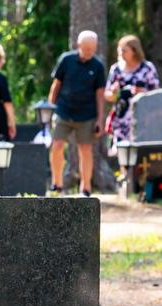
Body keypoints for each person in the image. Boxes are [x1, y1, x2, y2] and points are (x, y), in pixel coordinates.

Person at [48, 30, 107, 196]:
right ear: (79, 45)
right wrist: (50, 108)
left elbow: (100, 95)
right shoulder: (66, 60)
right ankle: (57, 184)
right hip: (63, 111)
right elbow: (56, 86)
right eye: (87, 48)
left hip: (87, 115)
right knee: (57, 146)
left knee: (85, 149)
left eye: (92, 49)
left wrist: (100, 119)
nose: (89, 52)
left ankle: (85, 187)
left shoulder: (98, 66)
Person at [105, 35, 159, 152]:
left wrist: (143, 93)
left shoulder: (147, 68)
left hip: (143, 119)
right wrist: (114, 93)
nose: (121, 53)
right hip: (121, 119)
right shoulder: (116, 69)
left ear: (134, 51)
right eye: (120, 50)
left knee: (141, 153)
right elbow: (108, 96)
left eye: (124, 51)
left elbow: (156, 95)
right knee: (121, 153)